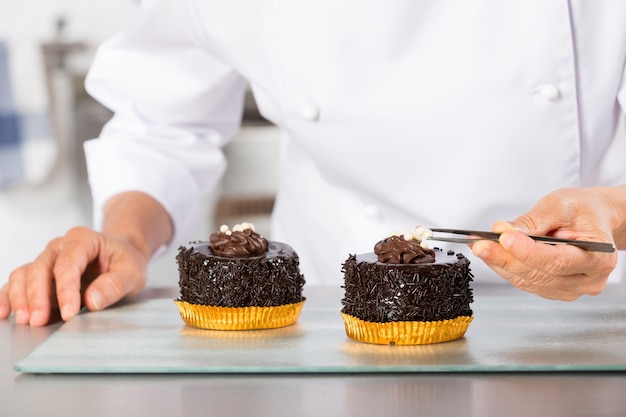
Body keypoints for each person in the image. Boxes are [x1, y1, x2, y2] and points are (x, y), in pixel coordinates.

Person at [1, 0, 626, 327]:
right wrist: (126, 239)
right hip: (337, 317)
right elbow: (165, 118)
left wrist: (614, 217)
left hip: (589, 314)